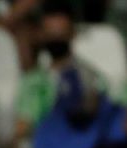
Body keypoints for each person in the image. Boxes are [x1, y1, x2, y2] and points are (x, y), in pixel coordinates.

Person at [15, 3, 83, 139]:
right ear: (41, 35)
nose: (56, 40)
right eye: (51, 35)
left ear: (73, 33)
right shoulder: (32, 82)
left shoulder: (90, 79)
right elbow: (23, 126)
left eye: (61, 35)